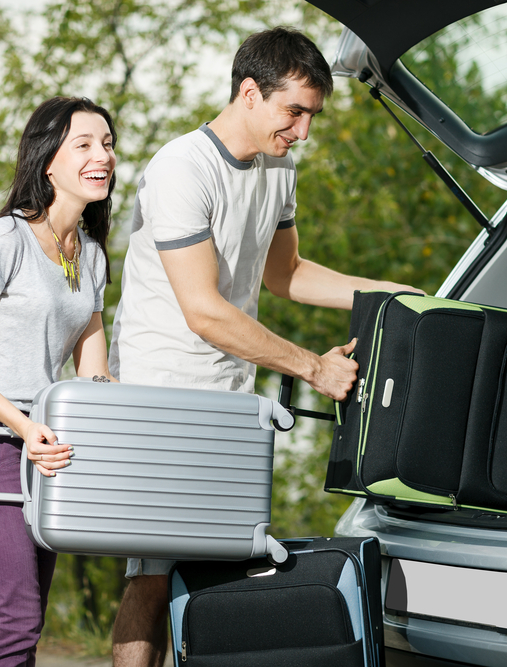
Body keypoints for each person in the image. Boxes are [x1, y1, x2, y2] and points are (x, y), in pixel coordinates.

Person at [108, 26, 420, 667]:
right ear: (249, 93)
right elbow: (203, 311)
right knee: (154, 570)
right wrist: (312, 367)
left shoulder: (277, 170)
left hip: (230, 392)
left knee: (223, 561)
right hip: (161, 392)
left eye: (313, 115)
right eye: (295, 112)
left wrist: (388, 291)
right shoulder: (181, 168)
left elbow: (286, 275)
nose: (304, 131)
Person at [0, 96, 118, 667]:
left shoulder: (91, 256)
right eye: (83, 144)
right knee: (14, 620)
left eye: (108, 144)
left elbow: (94, 375)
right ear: (47, 162)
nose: (102, 156)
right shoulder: (4, 238)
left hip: (42, 446)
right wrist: (22, 424)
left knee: (27, 622)